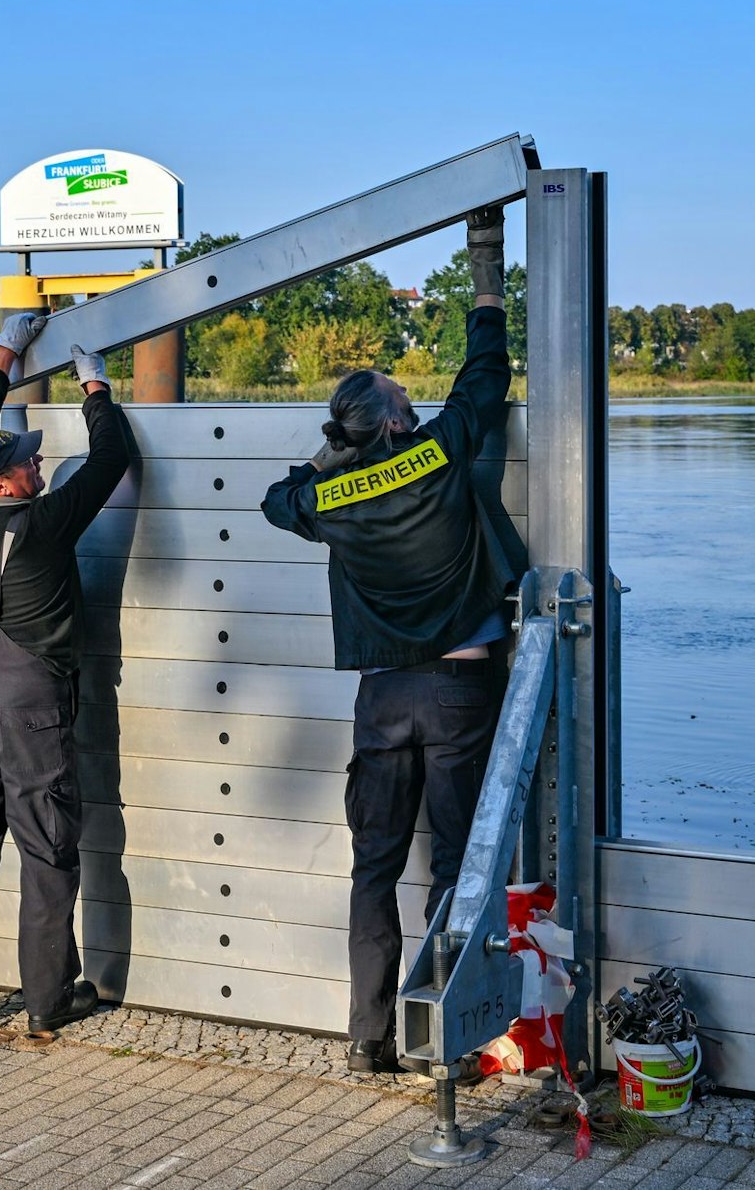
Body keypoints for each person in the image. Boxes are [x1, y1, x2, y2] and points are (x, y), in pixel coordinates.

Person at [261, 207, 516, 1073]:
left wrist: (330, 461)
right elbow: (486, 376)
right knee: (456, 869)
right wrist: (486, 270)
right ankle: (447, 1035)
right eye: (407, 398)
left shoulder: (331, 500)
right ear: (402, 422)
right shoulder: (442, 452)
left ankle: (369, 1038)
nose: (416, 399)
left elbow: (277, 499)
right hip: (459, 688)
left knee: (374, 868)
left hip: (382, 701)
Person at [0, 313, 133, 1038]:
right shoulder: (44, 524)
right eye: (27, 461)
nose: (39, 465)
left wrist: (5, 351)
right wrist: (96, 387)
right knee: (47, 848)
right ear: (5, 483)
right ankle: (48, 998)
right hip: (31, 709)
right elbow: (113, 456)